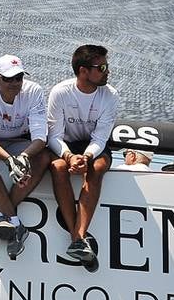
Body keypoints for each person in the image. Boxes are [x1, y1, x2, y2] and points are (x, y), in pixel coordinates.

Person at [0, 54, 52, 259]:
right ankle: (15, 222)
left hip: (21, 142)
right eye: (8, 79)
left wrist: (22, 157)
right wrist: (8, 160)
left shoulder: (34, 91)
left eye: (19, 77)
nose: (15, 83)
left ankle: (2, 215)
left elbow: (41, 136)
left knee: (43, 158)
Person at [48, 44, 120, 271]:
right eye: (102, 67)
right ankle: (77, 239)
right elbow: (54, 135)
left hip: (93, 147)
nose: (107, 71)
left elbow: (100, 138)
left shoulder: (110, 95)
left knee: (97, 169)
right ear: (83, 71)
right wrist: (69, 157)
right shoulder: (60, 92)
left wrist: (86, 157)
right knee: (58, 167)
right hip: (66, 145)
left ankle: (77, 238)